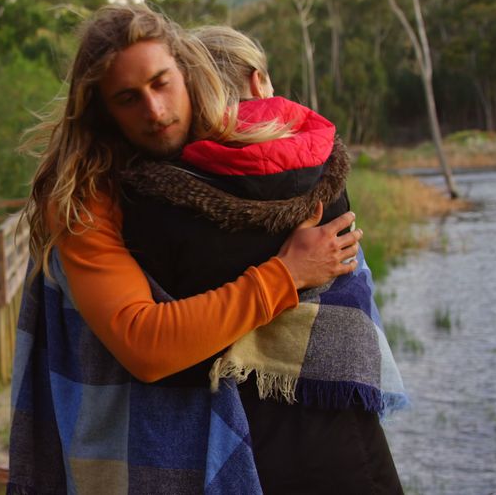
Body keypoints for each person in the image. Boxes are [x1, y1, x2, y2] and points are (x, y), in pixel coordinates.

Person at [8, 4, 365, 494]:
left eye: (161, 83)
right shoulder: (84, 199)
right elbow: (145, 345)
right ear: (102, 110)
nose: (154, 112)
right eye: (128, 98)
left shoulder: (216, 149)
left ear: (185, 72)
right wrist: (288, 274)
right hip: (132, 435)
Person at [120, 25, 407, 493]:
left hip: (224, 434)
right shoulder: (323, 165)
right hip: (338, 423)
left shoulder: (153, 195)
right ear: (257, 80)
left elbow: (168, 347)